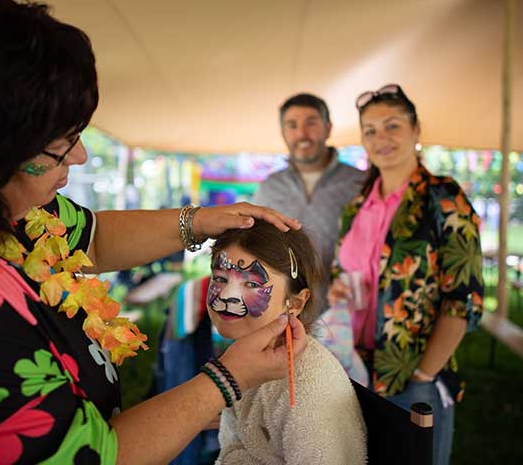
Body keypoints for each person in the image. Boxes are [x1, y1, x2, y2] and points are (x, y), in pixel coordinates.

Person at [0, 0, 309, 465]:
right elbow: (94, 457)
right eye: (61, 145)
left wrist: (195, 221)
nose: (80, 158)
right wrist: (225, 382)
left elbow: (89, 237)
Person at [329, 84, 484, 465]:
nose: (381, 138)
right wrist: (338, 290)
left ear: (416, 131)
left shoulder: (444, 198)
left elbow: (464, 299)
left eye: (392, 126)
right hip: (352, 370)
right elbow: (341, 270)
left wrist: (423, 374)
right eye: (370, 130)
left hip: (411, 378)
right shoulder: (356, 206)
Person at [207, 220, 367, 465]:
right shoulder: (243, 355)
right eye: (219, 279)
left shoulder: (309, 385)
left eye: (251, 284)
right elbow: (232, 449)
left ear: (295, 303)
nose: (227, 296)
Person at [252, 93, 368, 383]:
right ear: (283, 133)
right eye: (292, 125)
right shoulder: (269, 188)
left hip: (347, 320)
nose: (301, 133)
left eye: (311, 123)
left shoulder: (360, 183)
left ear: (328, 128)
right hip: (283, 319)